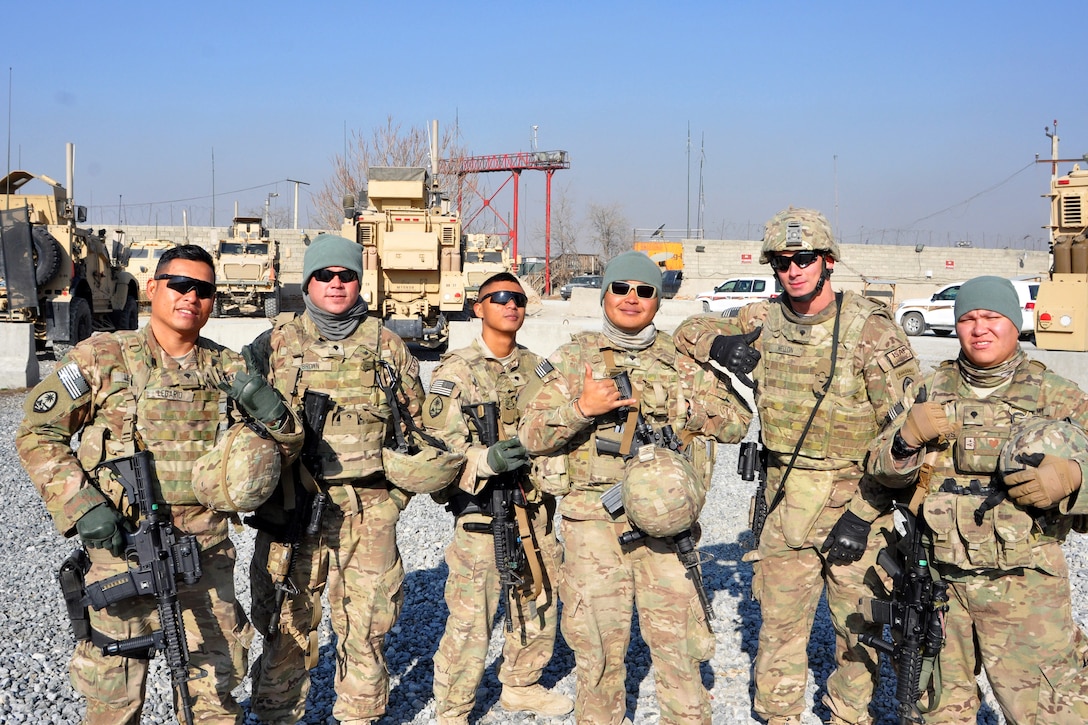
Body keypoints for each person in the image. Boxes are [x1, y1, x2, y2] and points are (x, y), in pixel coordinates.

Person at [16, 244, 303, 725]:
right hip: (122, 551)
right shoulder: (103, 356)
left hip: (205, 555)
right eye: (180, 285)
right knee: (114, 695)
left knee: (214, 690)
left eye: (204, 290)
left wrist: (268, 409)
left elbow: (285, 445)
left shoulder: (229, 369)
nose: (191, 296)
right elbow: (37, 432)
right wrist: (82, 506)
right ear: (153, 289)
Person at [673, 207, 921, 725]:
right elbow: (687, 328)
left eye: (804, 258)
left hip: (858, 498)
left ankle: (848, 713)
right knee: (780, 623)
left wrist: (864, 510)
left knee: (858, 627)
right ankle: (777, 713)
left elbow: (906, 437)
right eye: (782, 261)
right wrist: (720, 343)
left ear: (828, 261)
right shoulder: (763, 319)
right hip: (783, 495)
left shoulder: (872, 332)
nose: (793, 270)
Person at [519, 251, 752, 724]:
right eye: (621, 288)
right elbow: (529, 434)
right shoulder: (572, 358)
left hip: (666, 529)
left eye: (644, 290)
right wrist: (581, 409)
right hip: (593, 527)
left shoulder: (682, 363)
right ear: (604, 293)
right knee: (597, 647)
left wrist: (682, 409)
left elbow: (737, 422)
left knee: (680, 648)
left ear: (657, 299)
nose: (632, 298)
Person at [867, 275, 1088, 724]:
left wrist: (1075, 478)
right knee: (939, 711)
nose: (979, 328)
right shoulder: (928, 388)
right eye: (968, 318)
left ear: (1015, 321)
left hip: (1024, 586)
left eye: (992, 317)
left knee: (1050, 711)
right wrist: (906, 440)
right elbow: (877, 465)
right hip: (939, 585)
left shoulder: (1057, 395)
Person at [244, 233, 432, 725]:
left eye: (345, 275)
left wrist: (395, 496)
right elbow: (236, 414)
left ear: (359, 282)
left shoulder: (388, 345)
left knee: (365, 623)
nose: (335, 284)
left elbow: (418, 428)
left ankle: (360, 716)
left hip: (366, 509)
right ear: (307, 282)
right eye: (323, 275)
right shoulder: (273, 343)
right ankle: (278, 715)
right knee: (285, 620)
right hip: (291, 506)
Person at [423, 272, 573, 724]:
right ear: (479, 307)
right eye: (501, 298)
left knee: (539, 602)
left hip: (535, 509)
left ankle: (521, 685)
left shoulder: (541, 370)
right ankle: (453, 709)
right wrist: (486, 459)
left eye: (519, 300)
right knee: (472, 619)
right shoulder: (456, 371)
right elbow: (438, 449)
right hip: (482, 514)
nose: (512, 306)